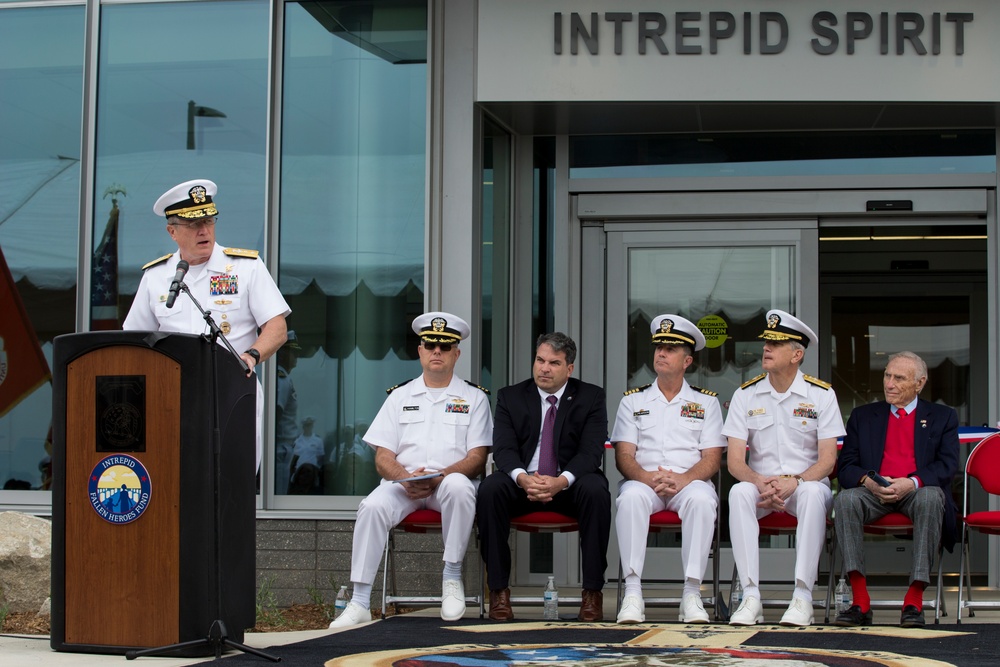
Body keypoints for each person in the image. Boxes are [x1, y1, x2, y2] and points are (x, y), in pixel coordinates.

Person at [330, 312, 492, 628]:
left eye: (445, 347)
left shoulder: (474, 398)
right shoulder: (399, 397)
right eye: (430, 344)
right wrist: (405, 479)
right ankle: (360, 600)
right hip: (405, 485)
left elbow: (477, 457)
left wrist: (439, 476)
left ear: (456, 353)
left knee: (461, 487)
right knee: (372, 506)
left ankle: (451, 577)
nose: (436, 351)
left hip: (446, 483)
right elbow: (383, 456)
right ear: (419, 350)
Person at [123, 179, 290, 470]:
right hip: (174, 396)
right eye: (193, 224)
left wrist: (251, 356)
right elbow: (135, 339)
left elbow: (277, 327)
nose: (204, 230)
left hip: (232, 391)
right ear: (172, 231)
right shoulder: (156, 276)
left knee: (231, 483)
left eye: (209, 221)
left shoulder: (245, 267)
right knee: (177, 481)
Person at [722, 309, 845, 627]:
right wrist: (759, 481)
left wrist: (796, 481)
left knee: (814, 496)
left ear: (797, 354)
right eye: (766, 342)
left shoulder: (821, 395)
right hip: (761, 485)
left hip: (804, 485)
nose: (766, 348)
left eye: (776, 343)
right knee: (738, 493)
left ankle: (803, 597)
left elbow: (828, 459)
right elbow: (735, 461)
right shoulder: (744, 394)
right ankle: (750, 596)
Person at [477, 332, 610, 622]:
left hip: (568, 488)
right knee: (490, 489)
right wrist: (522, 477)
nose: (544, 368)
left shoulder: (591, 397)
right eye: (540, 360)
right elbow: (503, 448)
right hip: (522, 486)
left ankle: (592, 593)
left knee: (596, 488)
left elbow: (590, 452)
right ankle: (498, 591)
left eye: (553, 363)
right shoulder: (510, 396)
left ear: (569, 369)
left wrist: (561, 481)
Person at [612, 315, 725, 624]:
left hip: (689, 483)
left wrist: (683, 478)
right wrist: (648, 478)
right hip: (643, 481)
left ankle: (691, 592)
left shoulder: (706, 403)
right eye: (658, 347)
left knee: (703, 500)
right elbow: (624, 455)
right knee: (630, 499)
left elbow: (712, 458)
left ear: (687, 360)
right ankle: (633, 592)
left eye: (670, 349)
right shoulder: (632, 401)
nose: (660, 353)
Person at [833, 351, 959, 629]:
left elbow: (948, 465)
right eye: (887, 375)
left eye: (899, 378)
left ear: (919, 383)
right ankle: (860, 601)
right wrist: (868, 481)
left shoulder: (942, 416)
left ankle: (914, 600)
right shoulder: (863, 416)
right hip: (874, 491)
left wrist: (911, 482)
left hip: (916, 490)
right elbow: (846, 467)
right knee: (845, 500)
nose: (889, 383)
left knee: (929, 497)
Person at [276, 331, 301, 494]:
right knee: (279, 490)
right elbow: (277, 413)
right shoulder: (281, 378)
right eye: (293, 353)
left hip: (283, 446)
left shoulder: (283, 377)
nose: (296, 359)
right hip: (280, 447)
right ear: (283, 353)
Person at [289, 416, 324, 494]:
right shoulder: (297, 440)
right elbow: (293, 458)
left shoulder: (318, 440)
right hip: (299, 474)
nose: (308, 427)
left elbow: (320, 457)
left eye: (310, 425)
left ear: (312, 426)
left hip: (312, 473)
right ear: (303, 426)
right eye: (306, 425)